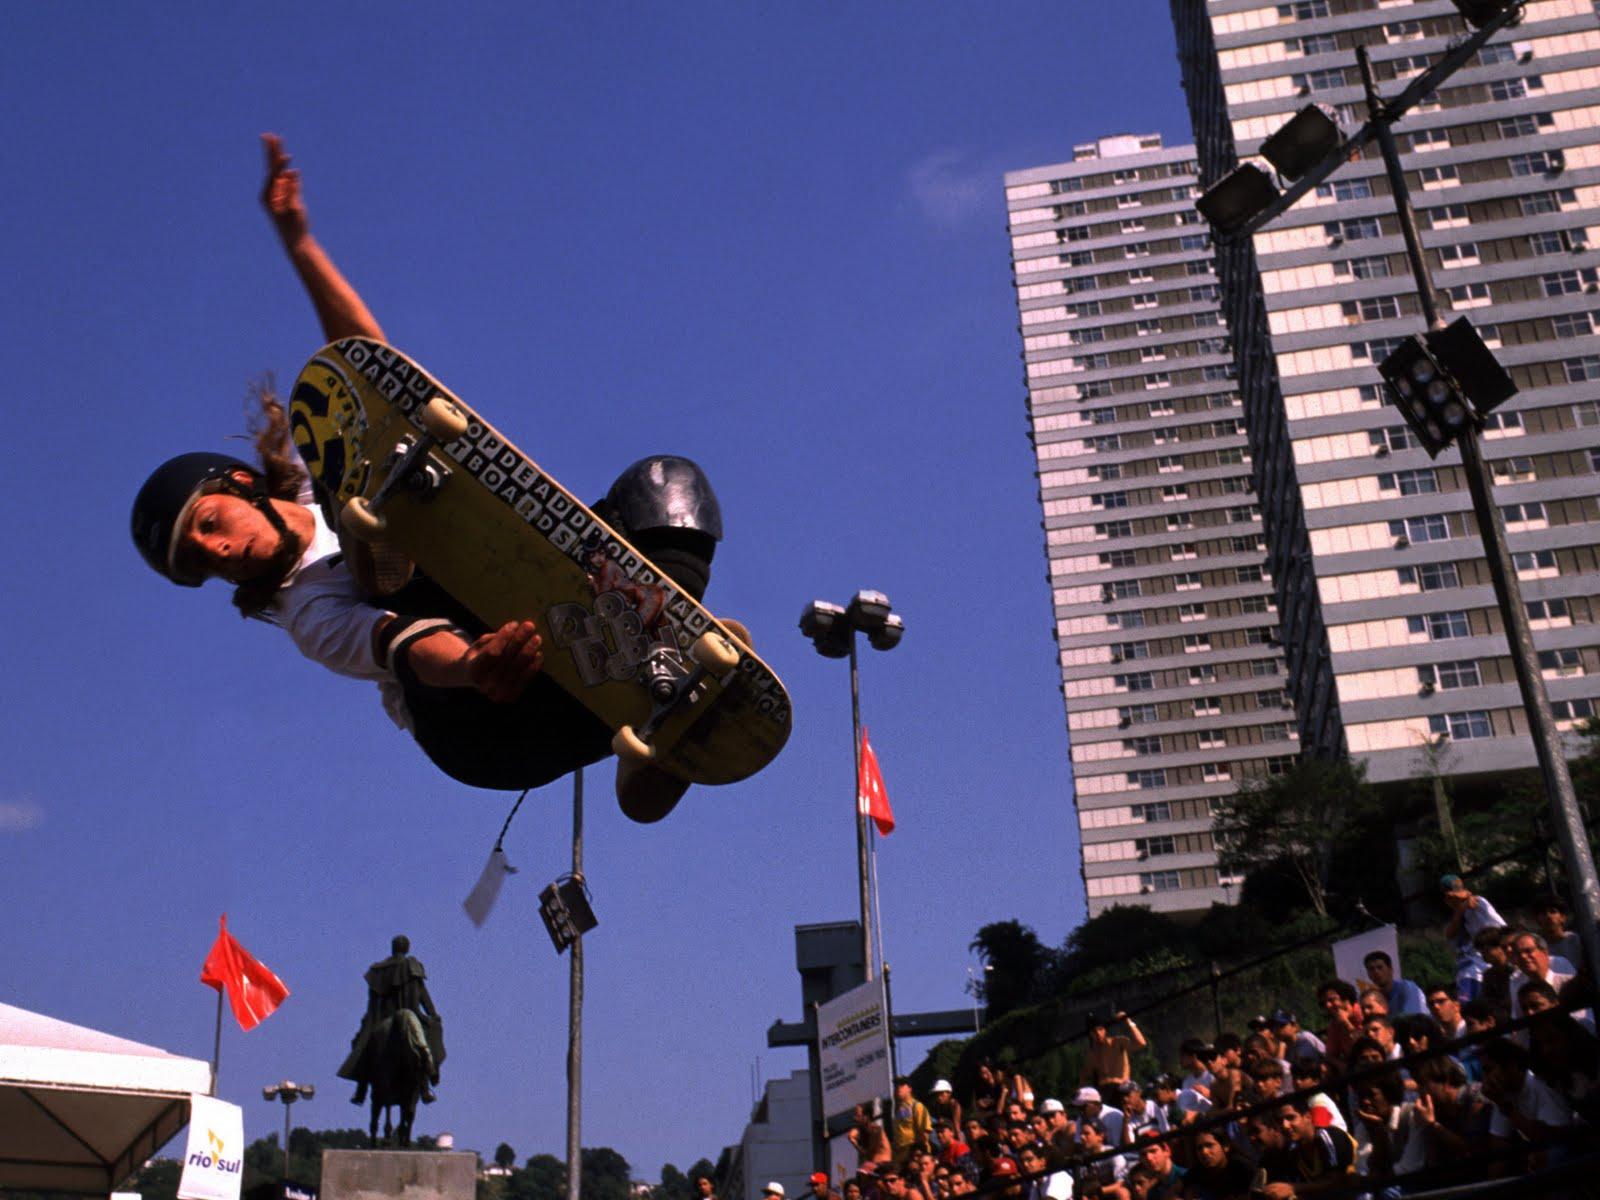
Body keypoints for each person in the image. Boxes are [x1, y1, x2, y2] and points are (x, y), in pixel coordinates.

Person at [130, 135, 723, 821]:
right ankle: (638, 714)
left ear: (239, 483)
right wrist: (473, 664)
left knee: (667, 486)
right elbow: (405, 647)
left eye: (210, 527)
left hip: (558, 651)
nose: (221, 554)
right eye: (204, 564)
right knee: (379, 546)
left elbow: (372, 370)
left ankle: (656, 694)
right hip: (489, 726)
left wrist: (300, 242)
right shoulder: (308, 613)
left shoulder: (315, 463)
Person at [337, 934, 442, 1105]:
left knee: (360, 1044)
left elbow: (372, 1001)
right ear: (406, 949)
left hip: (380, 1017)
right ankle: (426, 1082)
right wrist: (433, 1015)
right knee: (432, 1036)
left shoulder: (377, 971)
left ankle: (361, 1090)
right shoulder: (412, 966)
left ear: (393, 948)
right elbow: (422, 995)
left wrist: (368, 1021)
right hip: (411, 1013)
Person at [1441, 874, 1506, 1000]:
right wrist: (1461, 908)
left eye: (1453, 896)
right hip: (1467, 972)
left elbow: (1501, 929)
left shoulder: (1479, 903)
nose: (1452, 900)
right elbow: (1449, 933)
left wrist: (1467, 899)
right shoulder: (1457, 918)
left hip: (1482, 968)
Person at [1080, 1012, 1147, 1088]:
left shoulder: (1118, 1042)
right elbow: (1084, 1077)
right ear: (1090, 1034)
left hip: (1122, 1087)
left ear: (1105, 1030)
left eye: (1100, 1029)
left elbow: (1141, 1043)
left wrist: (1128, 1021)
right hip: (1104, 1090)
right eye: (1094, 1031)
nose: (1098, 1034)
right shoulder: (1091, 1054)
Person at [1364, 951, 1428, 1018]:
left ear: (1390, 970)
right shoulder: (1375, 997)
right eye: (1371, 969)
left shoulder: (1407, 987)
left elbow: (1412, 1018)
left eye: (1380, 967)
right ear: (1368, 974)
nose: (1376, 972)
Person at [891, 1077, 934, 1168]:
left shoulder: (917, 1106)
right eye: (896, 1086)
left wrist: (920, 1156)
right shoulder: (897, 1110)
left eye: (902, 1085)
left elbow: (925, 1134)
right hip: (900, 1159)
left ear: (910, 1088)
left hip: (916, 1158)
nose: (898, 1088)